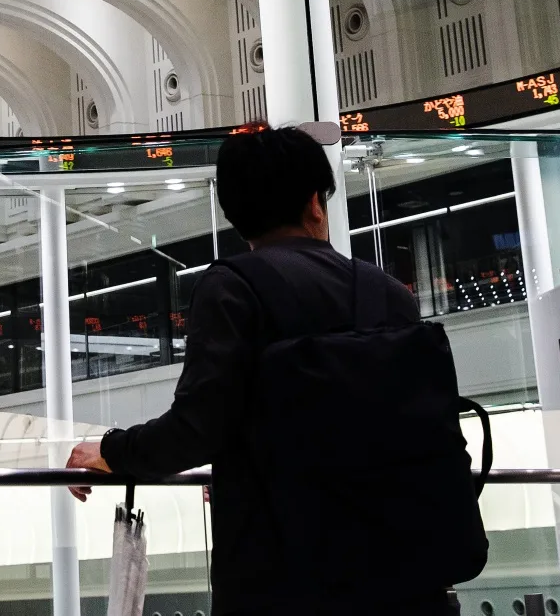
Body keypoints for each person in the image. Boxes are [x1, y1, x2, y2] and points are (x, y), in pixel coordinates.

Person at [67, 124, 483, 614]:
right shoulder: (386, 293)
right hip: (411, 575)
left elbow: (198, 428)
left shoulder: (233, 288)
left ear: (237, 216)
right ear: (315, 203)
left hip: (286, 581)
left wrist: (110, 449)